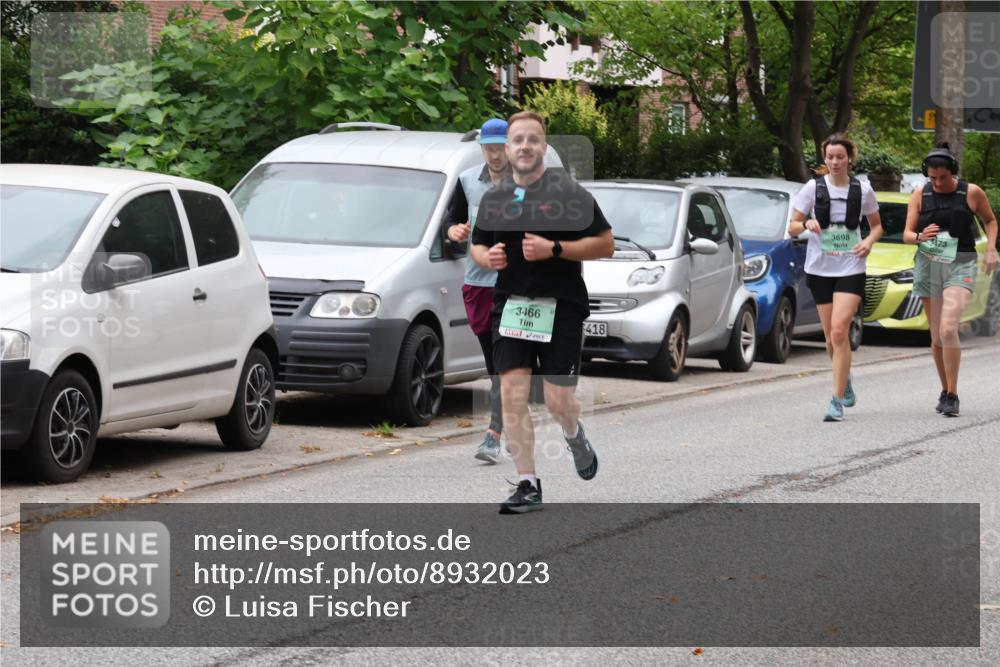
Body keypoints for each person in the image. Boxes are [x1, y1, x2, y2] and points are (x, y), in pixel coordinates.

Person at [470, 111, 615, 513]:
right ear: (507, 148)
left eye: (533, 140)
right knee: (513, 396)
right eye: (518, 140)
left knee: (557, 402)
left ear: (544, 146)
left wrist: (556, 249)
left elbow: (606, 244)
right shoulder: (495, 199)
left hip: (562, 307)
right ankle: (528, 484)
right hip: (512, 308)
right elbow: (477, 246)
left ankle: (574, 434)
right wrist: (489, 258)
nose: (525, 147)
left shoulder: (569, 194)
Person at [789, 134, 883, 422]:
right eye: (830, 157)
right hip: (819, 269)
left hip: (851, 268)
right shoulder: (812, 188)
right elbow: (792, 227)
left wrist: (868, 243)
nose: (834, 162)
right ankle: (846, 379)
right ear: (824, 158)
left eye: (840, 157)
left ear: (850, 158)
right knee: (831, 338)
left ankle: (836, 399)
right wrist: (806, 223)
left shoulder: (863, 190)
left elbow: (877, 226)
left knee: (841, 331)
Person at [902, 143, 998, 417]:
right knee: (935, 335)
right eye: (932, 177)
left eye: (943, 177)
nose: (938, 182)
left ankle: (953, 394)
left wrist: (991, 250)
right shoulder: (921, 195)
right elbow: (907, 233)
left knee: (947, 328)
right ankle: (944, 389)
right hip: (929, 265)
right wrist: (920, 237)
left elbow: (990, 221)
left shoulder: (971, 192)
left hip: (961, 263)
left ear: (952, 172)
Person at [444, 118, 512, 463]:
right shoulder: (468, 181)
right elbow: (452, 221)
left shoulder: (527, 182)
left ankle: (494, 433)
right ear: (482, 148)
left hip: (515, 284)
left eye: (500, 148)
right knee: (494, 362)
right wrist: (455, 231)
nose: (495, 155)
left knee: (504, 359)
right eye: (489, 148)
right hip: (477, 283)